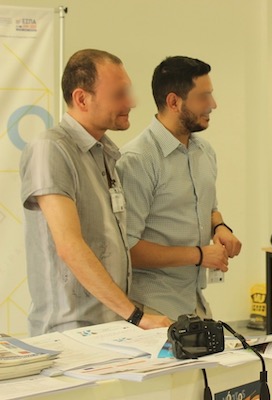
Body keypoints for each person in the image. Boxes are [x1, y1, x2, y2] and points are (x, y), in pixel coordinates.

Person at [20, 49, 171, 336]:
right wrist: (136, 316)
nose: (131, 102)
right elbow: (69, 246)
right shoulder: (51, 149)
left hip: (111, 327)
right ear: (81, 99)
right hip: (69, 333)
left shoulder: (106, 153)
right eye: (119, 94)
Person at [115, 56, 241, 321]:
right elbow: (127, 249)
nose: (213, 104)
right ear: (174, 102)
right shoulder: (137, 160)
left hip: (194, 301)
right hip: (151, 307)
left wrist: (220, 227)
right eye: (203, 96)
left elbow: (209, 209)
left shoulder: (204, 151)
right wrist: (199, 255)